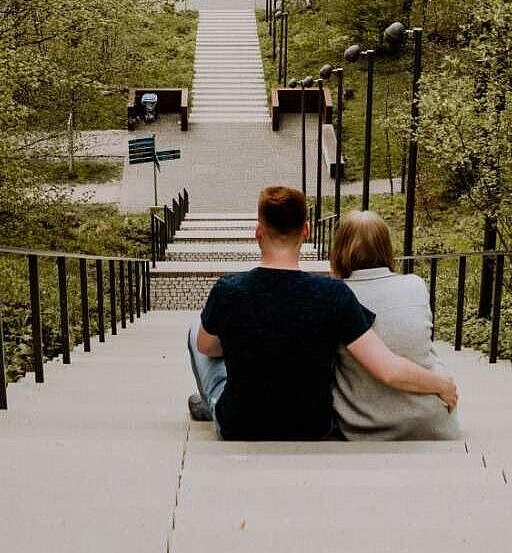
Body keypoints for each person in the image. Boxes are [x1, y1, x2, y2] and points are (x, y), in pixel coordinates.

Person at [188, 186, 458, 440]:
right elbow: (387, 368)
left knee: (196, 330)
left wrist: (248, 337)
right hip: (312, 427)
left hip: (240, 425)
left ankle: (212, 404)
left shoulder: (228, 290)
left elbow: (207, 348)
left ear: (258, 232)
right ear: (306, 231)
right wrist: (441, 384)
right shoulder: (332, 294)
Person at [328, 212, 461, 440]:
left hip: (363, 426)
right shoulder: (415, 285)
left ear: (340, 249)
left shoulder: (334, 295)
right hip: (431, 421)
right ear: (386, 248)